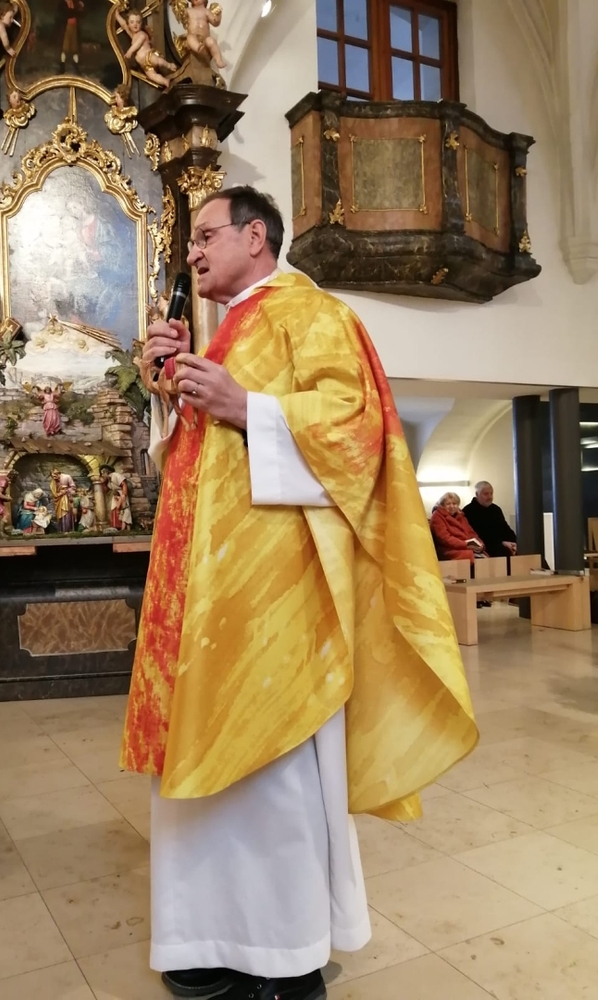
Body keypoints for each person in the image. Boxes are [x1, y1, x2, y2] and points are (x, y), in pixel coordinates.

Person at [119, 185, 478, 1000]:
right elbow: (191, 460)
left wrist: (249, 407)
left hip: (273, 599)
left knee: (270, 775)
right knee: (198, 768)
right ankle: (208, 936)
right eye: (191, 241)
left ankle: (286, 956)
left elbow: (356, 428)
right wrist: (166, 386)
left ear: (256, 236)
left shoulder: (311, 313)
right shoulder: (228, 326)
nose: (192, 252)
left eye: (205, 235)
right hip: (201, 592)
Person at [463, 481, 517, 557]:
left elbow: (505, 529)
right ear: (477, 494)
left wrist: (514, 542)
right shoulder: (468, 511)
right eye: (486, 494)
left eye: (491, 493)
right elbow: (478, 535)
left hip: (500, 544)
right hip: (484, 547)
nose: (490, 497)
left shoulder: (496, 509)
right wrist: (502, 543)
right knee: (503, 551)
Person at [430, 492, 486, 562]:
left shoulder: (461, 516)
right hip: (448, 549)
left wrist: (480, 544)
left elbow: (471, 533)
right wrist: (465, 544)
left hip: (465, 547)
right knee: (470, 555)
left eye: (454, 504)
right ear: (443, 505)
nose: (452, 506)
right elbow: (444, 538)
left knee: (484, 556)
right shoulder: (437, 516)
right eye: (448, 504)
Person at [57, 0, 84, 74]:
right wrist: (76, 11)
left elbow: (80, 14)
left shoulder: (75, 3)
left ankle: (76, 66)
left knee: (75, 48)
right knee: (64, 48)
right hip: (66, 28)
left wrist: (80, 9)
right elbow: (68, 14)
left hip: (74, 27)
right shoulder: (62, 4)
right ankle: (62, 67)